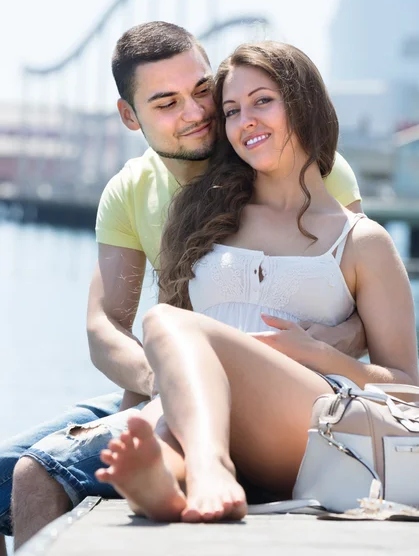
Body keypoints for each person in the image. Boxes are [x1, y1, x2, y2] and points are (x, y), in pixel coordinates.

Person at [5, 23, 366, 552]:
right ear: (130, 116)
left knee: (36, 477)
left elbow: (365, 309)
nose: (196, 113)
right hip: (165, 387)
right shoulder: (130, 191)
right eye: (166, 103)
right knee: (4, 472)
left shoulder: (300, 167)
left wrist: (303, 352)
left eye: (202, 90)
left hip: (283, 401)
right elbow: (105, 325)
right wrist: (173, 380)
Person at [96, 40, 419, 523]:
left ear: (303, 102)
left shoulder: (361, 240)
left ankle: (207, 466)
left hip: (313, 424)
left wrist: (321, 355)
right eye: (230, 110)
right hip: (209, 415)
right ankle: (163, 478)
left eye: (262, 101)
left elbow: (409, 386)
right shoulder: (200, 218)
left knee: (166, 321)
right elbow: (170, 354)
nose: (244, 119)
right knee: (168, 374)